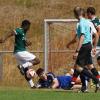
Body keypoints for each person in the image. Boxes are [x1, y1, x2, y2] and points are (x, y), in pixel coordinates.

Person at [66, 7, 100, 92]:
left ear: (75, 15)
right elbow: (96, 34)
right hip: (89, 46)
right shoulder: (88, 22)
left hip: (84, 46)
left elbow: (82, 36)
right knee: (89, 66)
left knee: (78, 67)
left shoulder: (80, 24)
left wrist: (77, 51)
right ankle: (79, 86)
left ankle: (95, 80)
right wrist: (94, 47)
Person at [0, 20, 40, 88]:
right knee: (37, 60)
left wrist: (27, 43)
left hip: (17, 53)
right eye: (29, 27)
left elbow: (23, 43)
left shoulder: (23, 33)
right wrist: (4, 38)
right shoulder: (20, 30)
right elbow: (12, 32)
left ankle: (32, 85)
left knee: (26, 70)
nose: (29, 28)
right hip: (21, 52)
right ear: (26, 25)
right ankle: (22, 66)